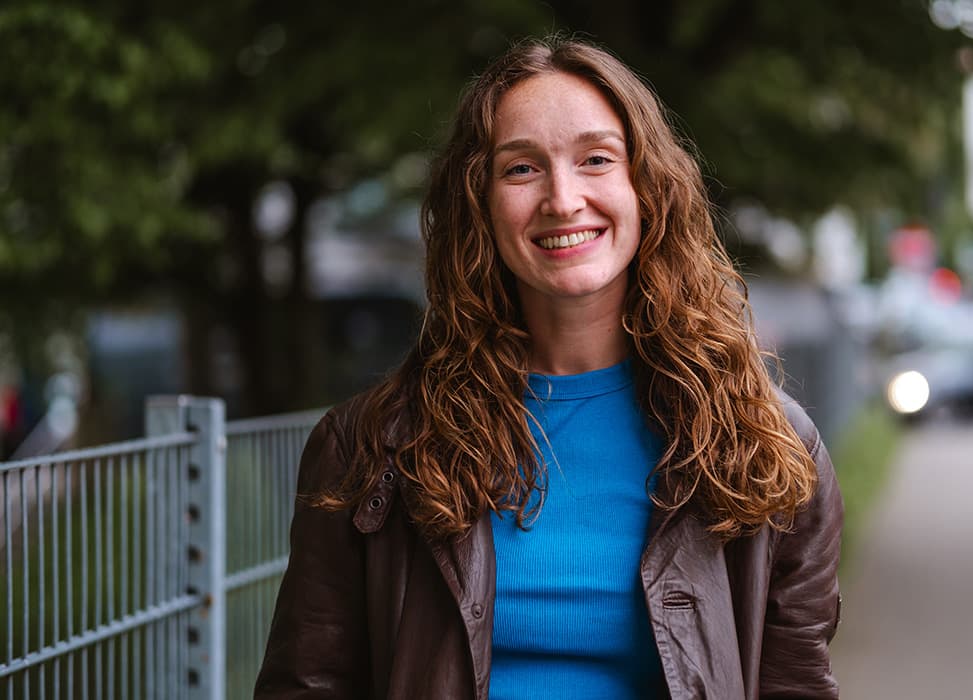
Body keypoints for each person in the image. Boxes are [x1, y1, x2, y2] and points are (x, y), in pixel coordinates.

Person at [255, 36, 842, 700]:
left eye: (596, 159)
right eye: (522, 168)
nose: (562, 199)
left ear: (647, 187)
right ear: (479, 201)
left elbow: (795, 685)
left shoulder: (768, 449)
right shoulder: (370, 448)